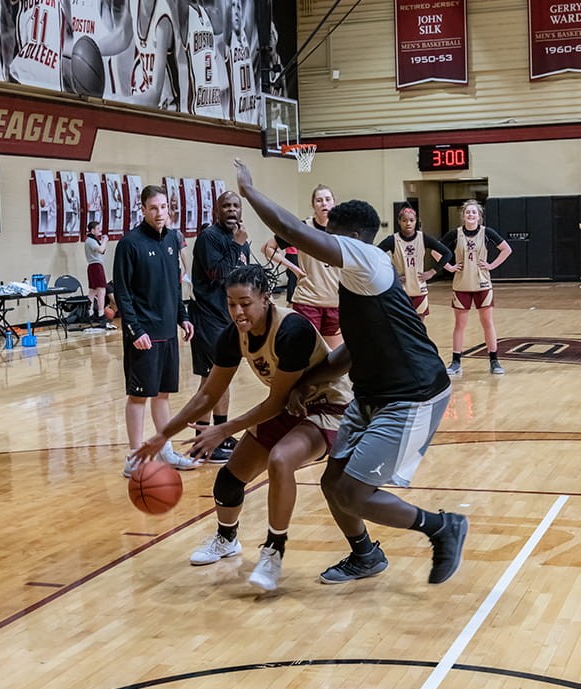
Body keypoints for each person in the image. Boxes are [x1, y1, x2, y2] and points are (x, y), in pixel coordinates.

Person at [234, 158, 468, 587]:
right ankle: (365, 555)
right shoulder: (356, 279)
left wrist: (250, 193)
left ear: (351, 236)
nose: (324, 244)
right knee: (335, 482)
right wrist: (308, 382)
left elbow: (295, 231)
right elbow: (353, 351)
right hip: (373, 393)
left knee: (356, 492)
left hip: (413, 394)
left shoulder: (366, 260)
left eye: (330, 237)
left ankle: (441, 527)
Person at [133, 264, 352, 592]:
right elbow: (209, 393)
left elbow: (276, 402)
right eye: (231, 303)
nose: (237, 311)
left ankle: (273, 551)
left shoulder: (292, 330)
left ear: (265, 298)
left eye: (245, 303)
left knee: (280, 460)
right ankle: (226, 539)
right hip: (288, 403)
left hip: (328, 405)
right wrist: (163, 434)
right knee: (228, 480)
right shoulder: (232, 334)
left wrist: (224, 429)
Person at [113, 185, 199, 478]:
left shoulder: (173, 240)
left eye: (164, 207)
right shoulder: (129, 244)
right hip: (143, 334)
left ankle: (165, 449)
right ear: (143, 210)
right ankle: (135, 456)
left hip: (167, 332)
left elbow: (174, 286)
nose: (160, 213)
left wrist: (183, 317)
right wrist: (134, 330)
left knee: (162, 395)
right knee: (139, 396)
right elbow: (122, 293)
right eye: (154, 208)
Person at [188, 190, 250, 463]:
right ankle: (203, 441)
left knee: (220, 378)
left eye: (236, 205)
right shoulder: (208, 238)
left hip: (228, 318)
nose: (232, 210)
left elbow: (242, 275)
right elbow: (219, 274)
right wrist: (237, 247)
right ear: (216, 210)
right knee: (213, 379)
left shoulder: (240, 237)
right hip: (207, 315)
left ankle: (218, 434)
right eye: (226, 206)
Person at [262, 185, 342, 349]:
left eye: (327, 199)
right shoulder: (302, 228)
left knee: (333, 359)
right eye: (319, 200)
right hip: (308, 301)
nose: (324, 204)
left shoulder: (343, 230)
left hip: (336, 303)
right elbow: (267, 249)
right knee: (308, 354)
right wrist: (294, 269)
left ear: (334, 203)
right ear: (313, 205)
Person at [441, 199, 513, 376]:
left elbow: (506, 249)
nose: (470, 215)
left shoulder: (486, 232)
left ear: (479, 216)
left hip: (483, 284)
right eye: (468, 212)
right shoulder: (455, 234)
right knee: (460, 324)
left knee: (487, 323)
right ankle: (456, 362)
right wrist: (449, 267)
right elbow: (436, 251)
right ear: (463, 215)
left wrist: (491, 265)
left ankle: (494, 361)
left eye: (474, 212)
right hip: (461, 285)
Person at [378, 205, 456, 321]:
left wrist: (432, 271)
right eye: (404, 220)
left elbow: (447, 253)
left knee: (419, 325)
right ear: (399, 222)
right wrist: (391, 275)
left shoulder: (423, 238)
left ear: (416, 222)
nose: (408, 223)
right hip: (401, 290)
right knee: (403, 325)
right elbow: (374, 256)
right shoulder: (392, 240)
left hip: (419, 289)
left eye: (411, 220)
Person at [84, 221, 109, 327]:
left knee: (93, 291)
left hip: (94, 266)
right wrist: (105, 240)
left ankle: (89, 312)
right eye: (98, 229)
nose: (99, 231)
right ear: (92, 230)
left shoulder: (92, 240)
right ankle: (100, 314)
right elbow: (101, 249)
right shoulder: (90, 241)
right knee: (101, 290)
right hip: (95, 266)